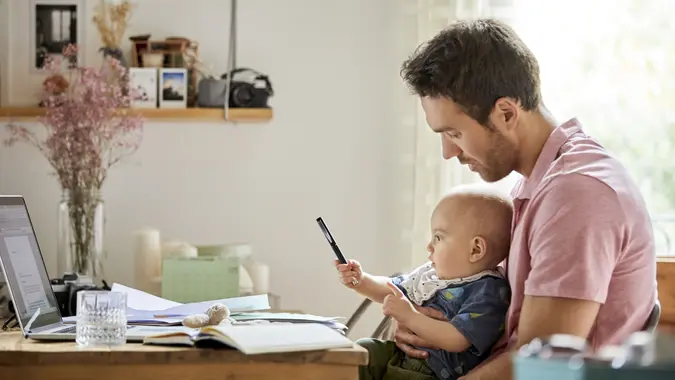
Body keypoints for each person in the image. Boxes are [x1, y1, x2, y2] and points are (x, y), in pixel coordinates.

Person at [395, 18, 657, 380]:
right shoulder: (538, 185)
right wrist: (430, 324)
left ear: (506, 113)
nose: (448, 152)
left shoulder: (577, 194)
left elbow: (539, 370)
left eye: (454, 132)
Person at [336, 186, 513, 380]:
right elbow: (391, 289)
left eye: (438, 237)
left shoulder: (489, 291)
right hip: (402, 355)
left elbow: (458, 339)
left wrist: (410, 317)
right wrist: (361, 280)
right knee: (363, 350)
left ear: (476, 250)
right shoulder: (433, 273)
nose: (429, 246)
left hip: (433, 371)